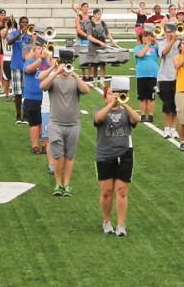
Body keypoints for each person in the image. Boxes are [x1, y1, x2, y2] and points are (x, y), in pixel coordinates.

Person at [94, 80, 141, 237]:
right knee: (106, 191)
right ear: (105, 97)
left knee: (121, 191)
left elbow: (136, 119)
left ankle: (121, 225)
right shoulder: (101, 110)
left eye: (116, 93)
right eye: (110, 94)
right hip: (105, 154)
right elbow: (98, 119)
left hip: (125, 154)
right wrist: (111, 104)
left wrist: (124, 104)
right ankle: (107, 221)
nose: (114, 96)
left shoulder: (125, 111)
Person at [40, 53, 90, 196]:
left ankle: (66, 184)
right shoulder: (54, 79)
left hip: (73, 124)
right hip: (56, 124)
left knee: (69, 156)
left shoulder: (75, 80)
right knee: (57, 156)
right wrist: (55, 71)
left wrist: (74, 74)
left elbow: (86, 90)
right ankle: (58, 184)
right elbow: (42, 85)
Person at [22, 41, 48, 154]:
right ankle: (35, 145)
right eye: (38, 49)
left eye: (42, 49)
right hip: (31, 97)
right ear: (33, 51)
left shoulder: (47, 62)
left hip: (46, 98)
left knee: (45, 122)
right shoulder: (30, 61)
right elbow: (29, 69)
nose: (41, 50)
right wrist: (41, 59)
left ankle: (46, 145)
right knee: (34, 123)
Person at [83, 9, 118, 86]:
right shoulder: (90, 24)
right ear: (94, 15)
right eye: (98, 14)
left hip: (102, 45)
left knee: (102, 64)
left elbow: (107, 33)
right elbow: (89, 37)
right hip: (93, 46)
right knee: (94, 64)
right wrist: (99, 42)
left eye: (100, 14)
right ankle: (95, 80)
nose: (100, 16)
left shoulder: (103, 23)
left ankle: (102, 81)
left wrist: (113, 41)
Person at [157, 23, 180, 139]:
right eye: (167, 31)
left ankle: (173, 128)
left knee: (177, 105)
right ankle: (166, 128)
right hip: (164, 77)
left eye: (171, 31)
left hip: (178, 77)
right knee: (167, 104)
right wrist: (172, 41)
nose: (169, 34)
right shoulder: (161, 43)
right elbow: (163, 54)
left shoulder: (180, 43)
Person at [132, 31, 159, 123]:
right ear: (141, 38)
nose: (147, 38)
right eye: (145, 36)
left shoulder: (155, 48)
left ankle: (151, 115)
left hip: (152, 75)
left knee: (151, 97)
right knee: (142, 97)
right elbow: (140, 55)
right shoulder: (137, 48)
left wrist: (155, 41)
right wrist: (147, 45)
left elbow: (163, 51)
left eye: (149, 36)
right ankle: (143, 115)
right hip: (141, 75)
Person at [8, 17, 28, 124]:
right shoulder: (14, 33)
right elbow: (9, 42)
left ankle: (25, 116)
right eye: (23, 22)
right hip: (16, 66)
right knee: (17, 93)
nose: (25, 24)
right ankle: (18, 115)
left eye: (26, 22)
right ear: (19, 24)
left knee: (26, 93)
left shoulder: (30, 34)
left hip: (27, 67)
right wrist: (20, 33)